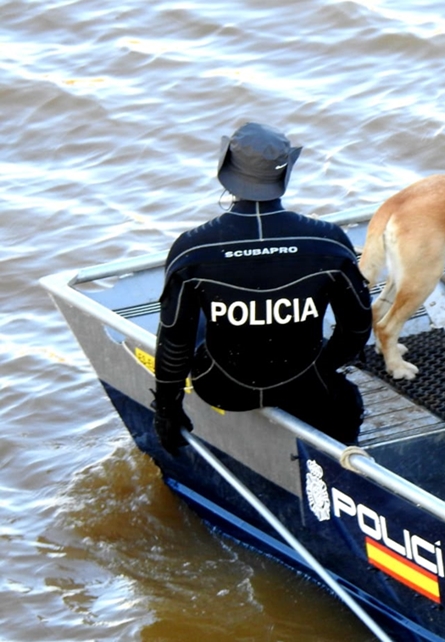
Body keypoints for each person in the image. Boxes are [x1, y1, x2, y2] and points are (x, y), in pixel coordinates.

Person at [152, 122, 374, 453]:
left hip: (223, 387)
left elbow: (174, 344)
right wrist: (322, 365)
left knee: (187, 318)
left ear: (226, 169)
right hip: (306, 388)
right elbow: (357, 328)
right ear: (285, 175)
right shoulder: (328, 240)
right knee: (344, 399)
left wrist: (166, 411)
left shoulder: (191, 249)